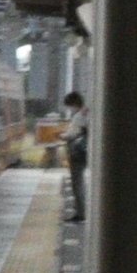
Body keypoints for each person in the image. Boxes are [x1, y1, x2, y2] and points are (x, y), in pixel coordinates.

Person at [62, 90, 89, 221]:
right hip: (83, 152)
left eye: (69, 105)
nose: (69, 108)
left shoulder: (78, 116)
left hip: (76, 153)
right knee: (80, 183)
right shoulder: (86, 114)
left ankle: (81, 212)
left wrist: (60, 136)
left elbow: (72, 135)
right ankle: (81, 210)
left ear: (73, 103)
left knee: (77, 183)